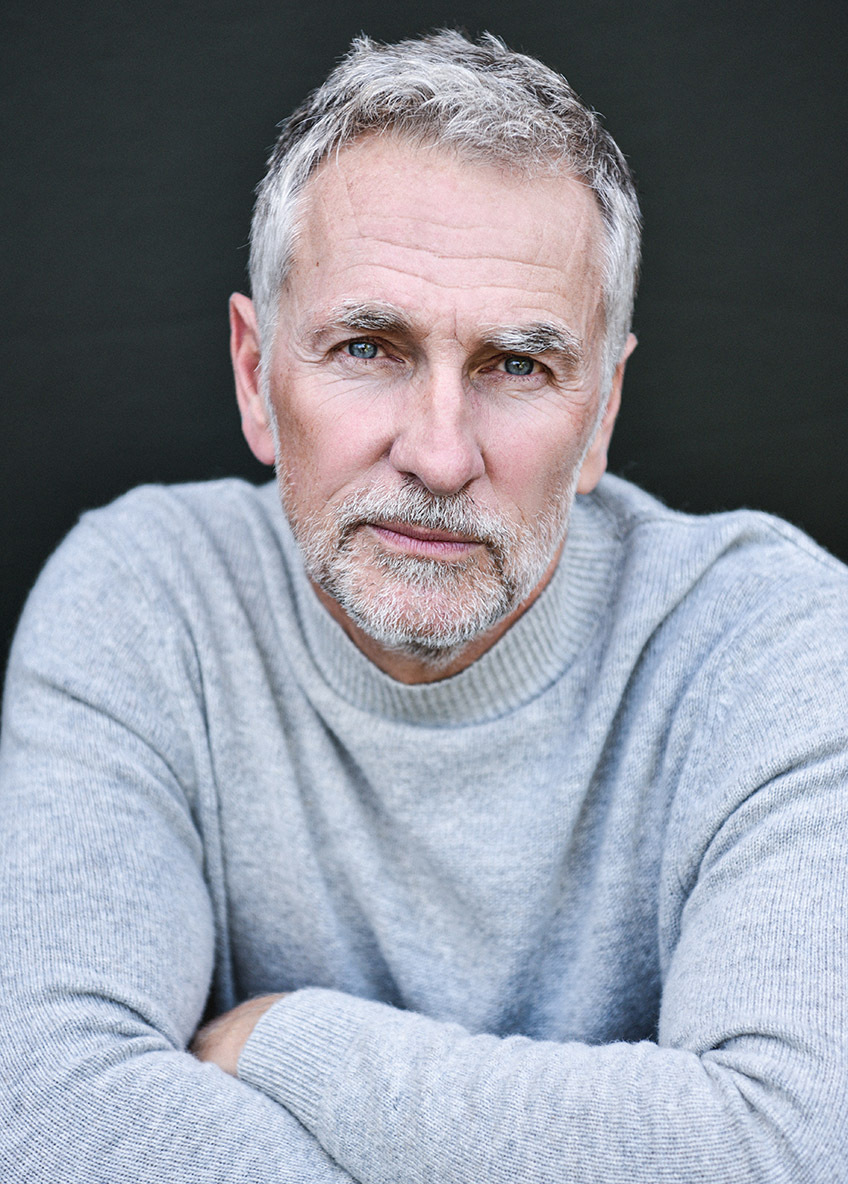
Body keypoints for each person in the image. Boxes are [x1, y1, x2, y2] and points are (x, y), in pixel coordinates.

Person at [0, 29, 845, 1184]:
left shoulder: (771, 642)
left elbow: (788, 1145)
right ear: (254, 374)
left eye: (516, 365)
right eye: (367, 346)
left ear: (601, 411)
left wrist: (287, 1041)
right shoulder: (146, 599)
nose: (440, 455)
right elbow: (46, 1108)